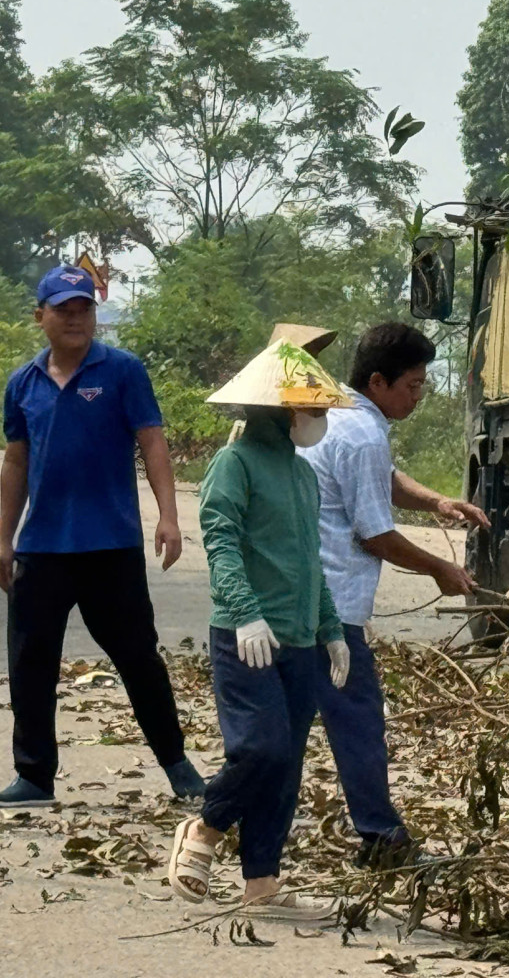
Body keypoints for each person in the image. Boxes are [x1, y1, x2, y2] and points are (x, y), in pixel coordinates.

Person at [0, 266, 205, 809]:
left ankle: (178, 767)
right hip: (42, 548)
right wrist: (3, 540)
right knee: (31, 663)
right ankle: (33, 777)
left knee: (138, 658)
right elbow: (16, 462)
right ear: (41, 317)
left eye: (84, 309)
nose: (76, 318)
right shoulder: (24, 383)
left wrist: (169, 516)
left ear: (95, 316)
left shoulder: (123, 371)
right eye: (63, 309)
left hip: (111, 545)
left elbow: (152, 442)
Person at [166, 339, 352, 923]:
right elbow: (220, 540)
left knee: (287, 762)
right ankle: (207, 824)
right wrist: (244, 611)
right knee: (261, 748)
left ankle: (262, 881)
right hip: (245, 633)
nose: (319, 422)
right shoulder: (235, 463)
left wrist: (331, 629)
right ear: (279, 409)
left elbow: (310, 558)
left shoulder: (303, 475)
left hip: (299, 637)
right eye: (313, 411)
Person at [299, 321, 487, 867]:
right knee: (357, 720)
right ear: (378, 382)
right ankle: (381, 837)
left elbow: (384, 475)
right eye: (413, 385)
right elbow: (375, 534)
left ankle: (244, 821)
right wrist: (439, 569)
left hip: (309, 596)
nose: (418, 395)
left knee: (293, 722)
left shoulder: (342, 417)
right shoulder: (360, 432)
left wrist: (438, 504)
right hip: (331, 607)